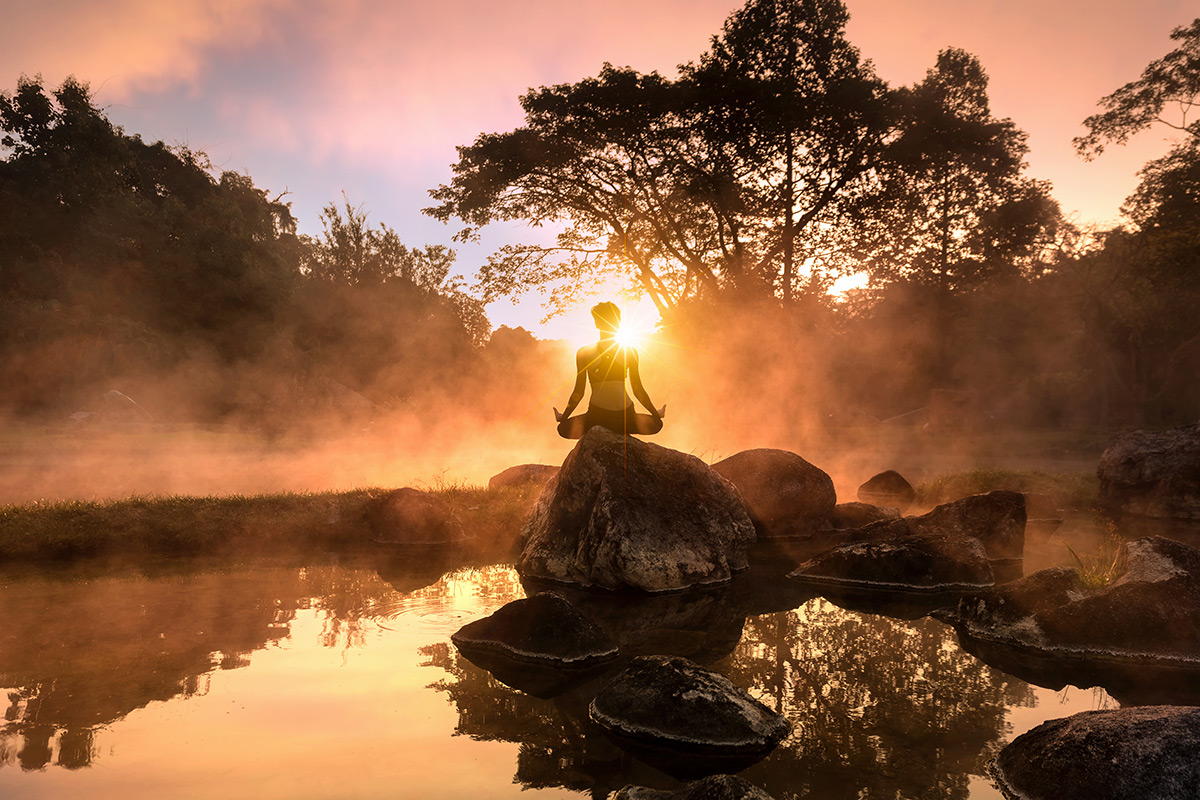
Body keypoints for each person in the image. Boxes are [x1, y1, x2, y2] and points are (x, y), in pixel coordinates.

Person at [554, 302, 665, 439]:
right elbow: (638, 390)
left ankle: (603, 428)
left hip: (597, 417)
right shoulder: (630, 351)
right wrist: (655, 413)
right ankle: (622, 429)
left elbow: (579, 392)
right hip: (625, 418)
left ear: (596, 323)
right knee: (656, 424)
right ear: (618, 323)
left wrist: (563, 416)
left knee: (563, 428)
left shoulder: (584, 353)